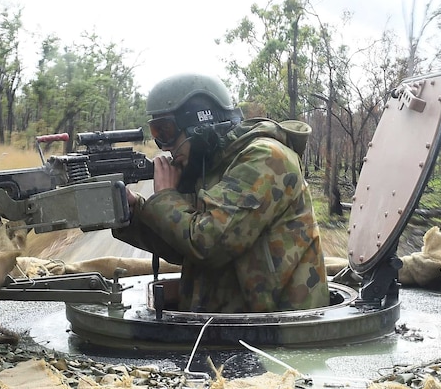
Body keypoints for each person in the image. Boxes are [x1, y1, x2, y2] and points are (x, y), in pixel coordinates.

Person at [112, 73, 329, 313]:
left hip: (279, 335)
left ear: (200, 125)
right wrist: (134, 213)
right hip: (227, 328)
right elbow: (182, 246)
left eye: (167, 131)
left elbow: (208, 244)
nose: (165, 146)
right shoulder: (210, 168)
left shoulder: (266, 158)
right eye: (157, 133)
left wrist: (165, 199)